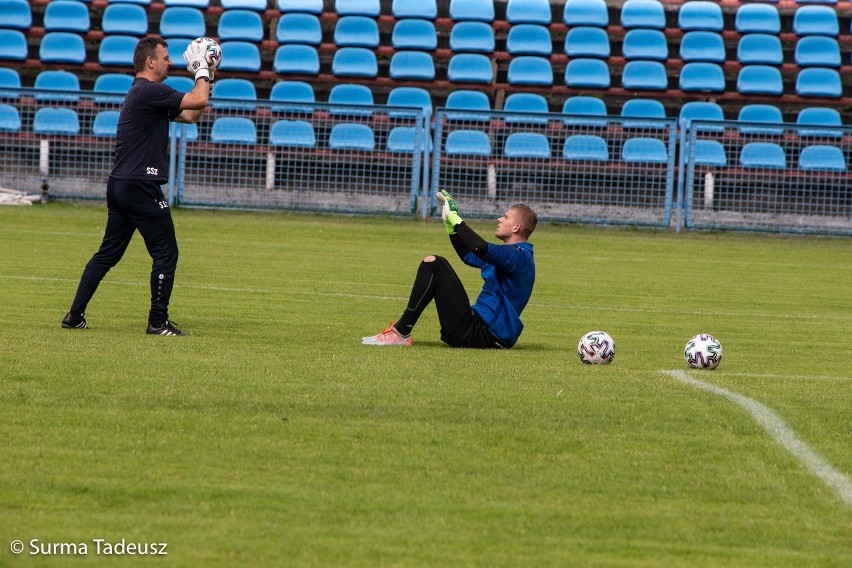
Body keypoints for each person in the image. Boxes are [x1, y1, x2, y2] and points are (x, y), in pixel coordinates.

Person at [61, 37, 213, 336]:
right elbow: (199, 100)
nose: (170, 62)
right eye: (166, 57)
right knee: (166, 252)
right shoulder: (150, 91)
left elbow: (193, 115)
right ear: (150, 62)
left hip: (121, 183)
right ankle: (157, 322)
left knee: (108, 254)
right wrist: (201, 70)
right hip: (140, 184)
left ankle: (74, 315)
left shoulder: (145, 94)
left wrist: (209, 77)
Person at [362, 190, 537, 348]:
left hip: (482, 334)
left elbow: (479, 247)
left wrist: (455, 218)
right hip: (478, 329)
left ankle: (400, 333)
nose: (499, 219)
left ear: (516, 227)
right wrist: (450, 225)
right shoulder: (512, 255)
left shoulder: (517, 257)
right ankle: (400, 333)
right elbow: (469, 255)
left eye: (505, 217)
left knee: (434, 264)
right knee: (433, 263)